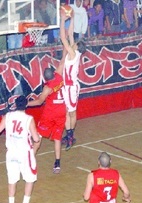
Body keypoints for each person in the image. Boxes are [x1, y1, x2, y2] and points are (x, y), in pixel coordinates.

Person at [0, 95, 40, 203]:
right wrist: (37, 140)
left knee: (12, 180)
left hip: (11, 153)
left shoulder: (8, 116)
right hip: (25, 153)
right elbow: (36, 138)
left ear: (15, 104)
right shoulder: (29, 119)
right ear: (26, 105)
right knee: (30, 179)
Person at [27, 59, 66, 174]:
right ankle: (57, 163)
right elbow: (63, 61)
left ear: (45, 79)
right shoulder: (59, 76)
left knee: (38, 136)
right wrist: (66, 45)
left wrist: (26, 103)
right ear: (53, 73)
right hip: (62, 111)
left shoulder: (47, 88)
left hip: (50, 113)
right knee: (57, 138)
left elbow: (39, 102)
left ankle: (31, 159)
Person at [60, 8, 86, 151]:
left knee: (70, 113)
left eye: (76, 42)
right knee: (68, 112)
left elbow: (64, 38)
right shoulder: (74, 51)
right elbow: (70, 34)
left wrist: (63, 20)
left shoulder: (72, 53)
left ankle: (70, 136)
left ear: (77, 46)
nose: (74, 42)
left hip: (70, 87)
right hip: (68, 86)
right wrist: (73, 18)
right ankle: (69, 135)